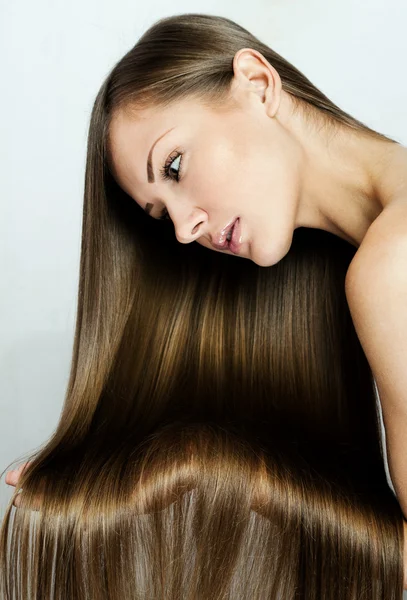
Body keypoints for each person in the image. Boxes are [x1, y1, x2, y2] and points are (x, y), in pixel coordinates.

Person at [2, 13, 407, 598]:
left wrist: (197, 469)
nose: (186, 231)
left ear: (257, 83)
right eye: (162, 213)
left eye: (174, 167)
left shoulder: (389, 268)